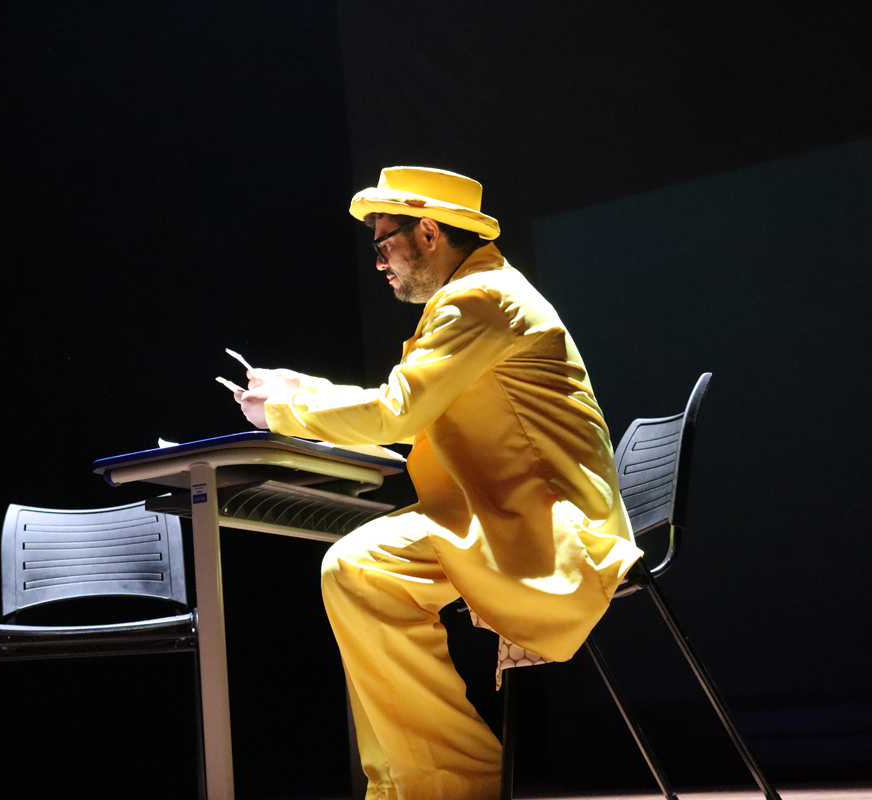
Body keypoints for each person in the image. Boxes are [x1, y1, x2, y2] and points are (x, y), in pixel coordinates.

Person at [233, 166, 643, 800]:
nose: (378, 262)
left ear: (428, 232)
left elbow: (397, 414)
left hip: (546, 524)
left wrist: (284, 411)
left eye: (383, 242)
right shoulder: (481, 294)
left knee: (357, 570)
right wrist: (304, 389)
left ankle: (451, 786)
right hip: (504, 508)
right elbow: (409, 403)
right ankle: (419, 784)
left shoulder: (479, 300)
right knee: (360, 572)